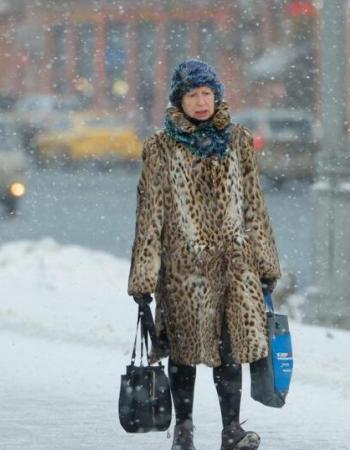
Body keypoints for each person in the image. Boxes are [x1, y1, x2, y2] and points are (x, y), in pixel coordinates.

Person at [128, 60, 281, 450]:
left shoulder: (239, 141)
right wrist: (144, 277)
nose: (201, 102)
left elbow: (254, 207)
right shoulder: (160, 148)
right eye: (193, 94)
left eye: (207, 94)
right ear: (180, 100)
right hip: (184, 270)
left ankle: (232, 430)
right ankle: (184, 431)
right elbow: (150, 217)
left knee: (231, 350)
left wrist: (264, 263)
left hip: (235, 267)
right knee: (184, 353)